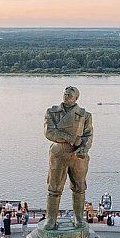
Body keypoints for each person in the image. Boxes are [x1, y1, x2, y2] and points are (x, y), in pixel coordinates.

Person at [43, 86, 93, 230]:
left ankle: (78, 218)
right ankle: (51, 219)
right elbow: (50, 132)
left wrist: (84, 147)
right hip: (58, 154)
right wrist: (71, 138)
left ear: (76, 98)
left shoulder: (85, 115)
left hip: (78, 155)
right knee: (54, 188)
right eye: (65, 93)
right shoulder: (52, 112)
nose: (66, 96)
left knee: (79, 187)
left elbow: (88, 134)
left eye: (70, 94)